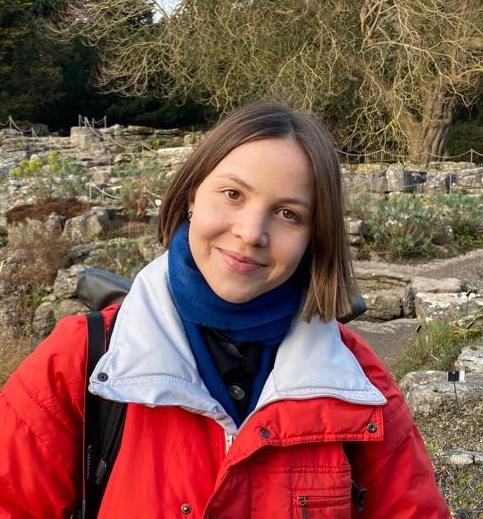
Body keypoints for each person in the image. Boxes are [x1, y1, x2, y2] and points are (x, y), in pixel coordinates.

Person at [0, 102, 450, 518]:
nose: (251, 232)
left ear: (316, 237)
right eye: (233, 194)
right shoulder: (79, 362)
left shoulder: (358, 386)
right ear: (192, 195)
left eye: (289, 214)